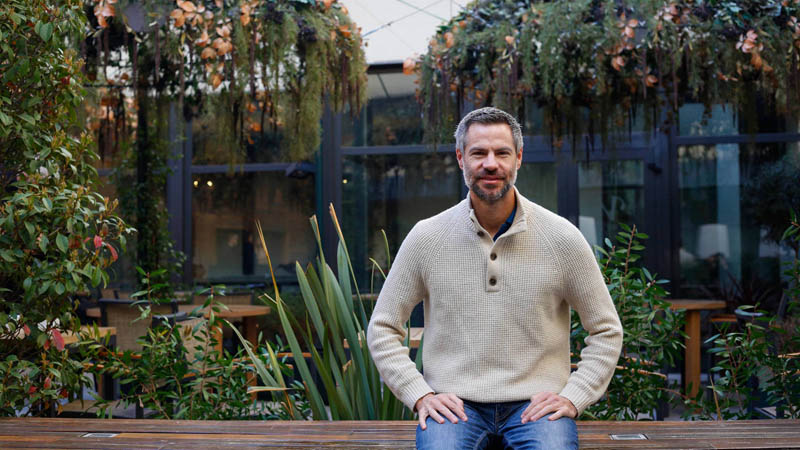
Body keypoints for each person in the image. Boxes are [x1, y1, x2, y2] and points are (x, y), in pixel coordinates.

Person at [366, 107, 623, 449]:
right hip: (454, 408)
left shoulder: (562, 237)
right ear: (460, 158)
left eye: (502, 153)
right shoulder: (426, 237)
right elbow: (383, 328)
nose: (490, 163)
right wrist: (421, 395)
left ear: (518, 158)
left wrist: (574, 396)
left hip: (536, 408)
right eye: (478, 153)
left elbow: (606, 329)